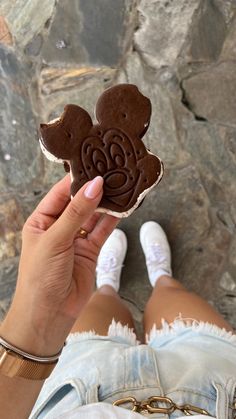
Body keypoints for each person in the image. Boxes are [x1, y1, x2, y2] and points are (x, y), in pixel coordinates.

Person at [0, 175, 235, 419]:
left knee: (102, 301)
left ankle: (107, 283)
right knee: (172, 294)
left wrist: (37, 324)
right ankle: (161, 275)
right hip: (214, 385)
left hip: (79, 383)